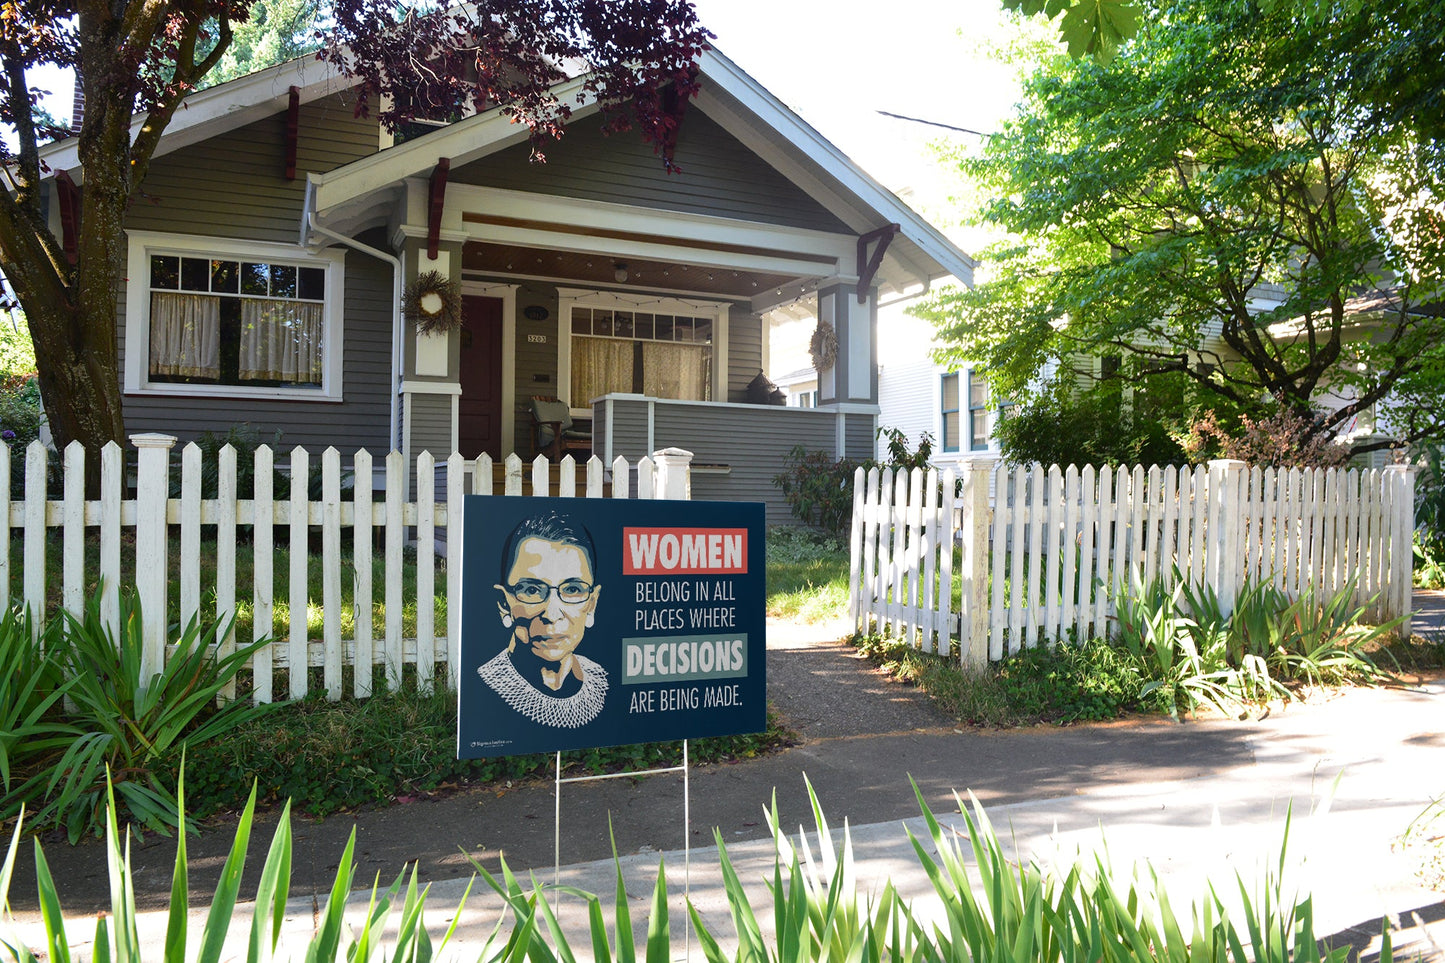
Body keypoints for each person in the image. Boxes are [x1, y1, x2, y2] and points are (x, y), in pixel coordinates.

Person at [477, 512, 607, 728]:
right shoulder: (483, 690)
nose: (552, 614)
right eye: (531, 590)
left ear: (591, 604)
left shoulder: (603, 681)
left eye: (573, 589)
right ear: (503, 603)